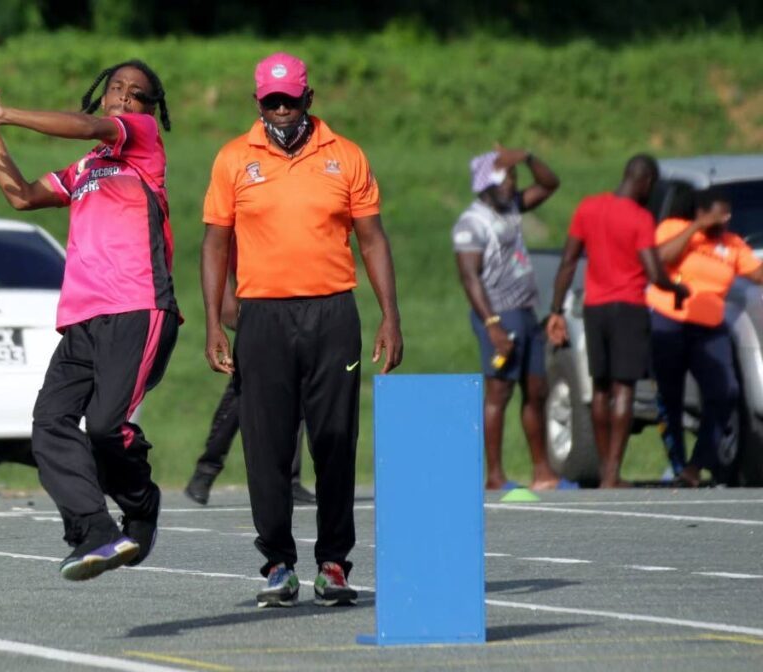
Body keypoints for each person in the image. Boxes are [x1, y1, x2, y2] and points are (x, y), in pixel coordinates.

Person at [0, 60, 179, 581]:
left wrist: (6, 113)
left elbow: (90, 126)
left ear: (149, 109)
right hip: (82, 318)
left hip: (137, 307)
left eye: (137, 93)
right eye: (116, 89)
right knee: (49, 425)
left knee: (105, 427)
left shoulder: (141, 141)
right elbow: (21, 195)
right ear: (102, 94)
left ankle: (141, 508)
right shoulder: (86, 170)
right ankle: (95, 532)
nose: (124, 98)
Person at [201, 52, 402, 608]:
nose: (282, 109)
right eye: (272, 100)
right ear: (258, 102)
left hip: (333, 314)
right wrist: (217, 320)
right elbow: (216, 242)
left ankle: (334, 563)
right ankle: (277, 565)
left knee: (335, 440)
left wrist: (390, 313)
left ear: (309, 99)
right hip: (262, 317)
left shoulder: (346, 156)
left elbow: (374, 239)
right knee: (266, 444)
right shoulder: (234, 159)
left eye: (291, 99)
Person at [546, 155, 687, 488]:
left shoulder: (588, 208)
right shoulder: (640, 218)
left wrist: (555, 311)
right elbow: (654, 273)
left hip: (595, 308)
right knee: (623, 389)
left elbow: (568, 262)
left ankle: (604, 469)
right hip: (629, 309)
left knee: (600, 389)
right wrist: (677, 289)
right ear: (647, 181)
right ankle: (611, 473)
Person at [452, 147, 562, 491]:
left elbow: (549, 184)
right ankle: (495, 475)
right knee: (500, 391)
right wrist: (492, 325)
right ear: (487, 185)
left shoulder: (511, 206)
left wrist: (527, 158)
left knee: (536, 390)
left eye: (513, 180)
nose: (512, 186)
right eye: (506, 179)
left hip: (527, 312)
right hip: (499, 315)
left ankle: (542, 469)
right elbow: (470, 278)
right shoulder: (472, 223)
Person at [648, 188, 763, 487]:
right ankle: (678, 465)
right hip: (670, 321)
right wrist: (697, 228)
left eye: (727, 216)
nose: (723, 221)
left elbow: (756, 271)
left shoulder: (732, 244)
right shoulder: (674, 228)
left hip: (709, 328)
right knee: (669, 397)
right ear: (701, 211)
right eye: (718, 215)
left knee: (725, 391)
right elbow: (661, 258)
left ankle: (697, 465)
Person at [185, 268, 316, 506]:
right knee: (241, 392)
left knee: (295, 389)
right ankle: (206, 470)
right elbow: (220, 258)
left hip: (289, 310)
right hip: (255, 311)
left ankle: (291, 479)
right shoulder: (238, 233)